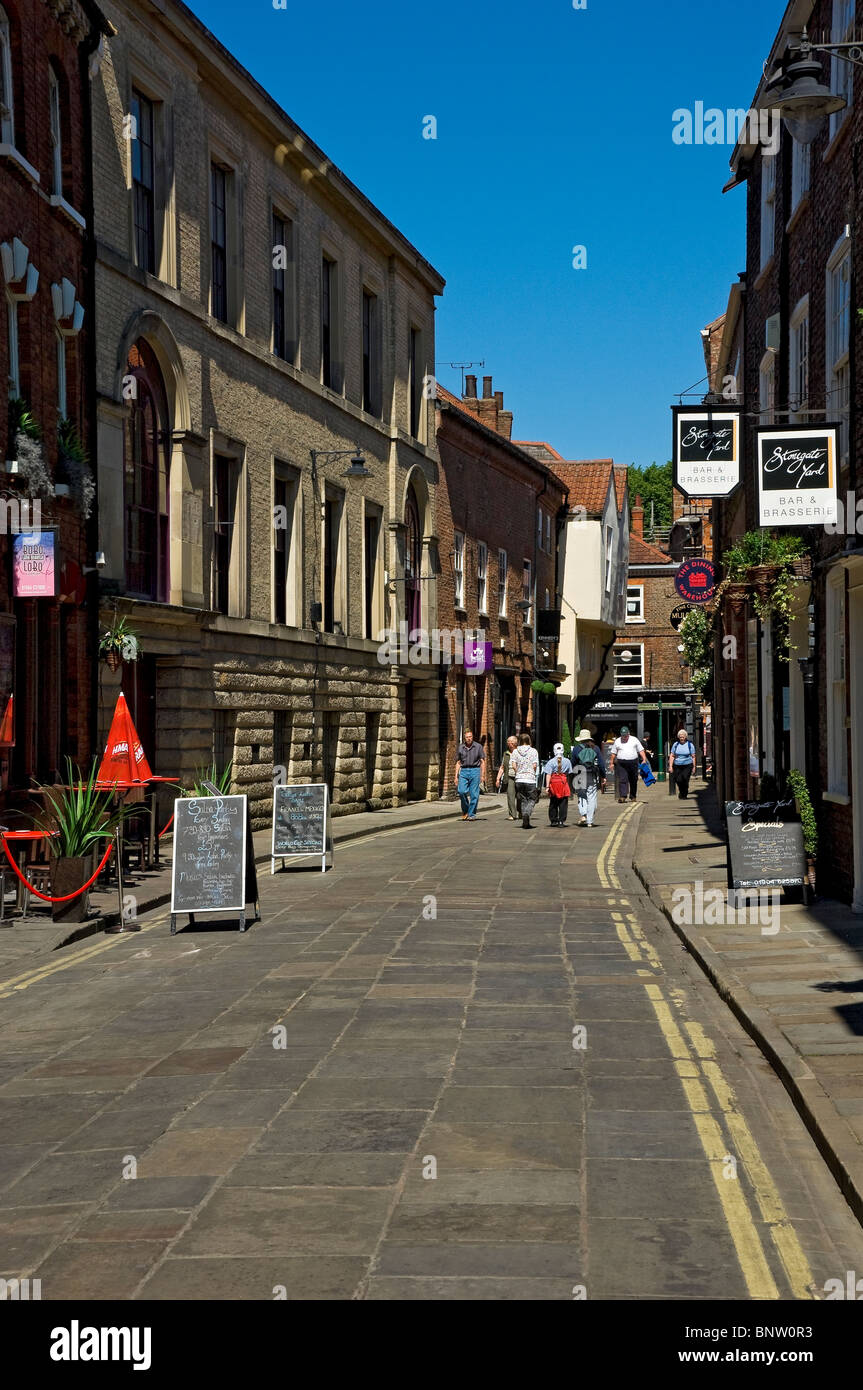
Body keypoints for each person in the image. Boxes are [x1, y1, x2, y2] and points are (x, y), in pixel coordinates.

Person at [571, 729, 607, 826]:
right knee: (591, 797)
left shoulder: (576, 749)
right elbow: (601, 764)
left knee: (581, 794)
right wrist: (603, 776)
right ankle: (590, 821)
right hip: (592, 774)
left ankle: (584, 814)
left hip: (580, 774)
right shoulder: (595, 748)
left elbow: (572, 763)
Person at [609, 725, 648, 803]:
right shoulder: (617, 741)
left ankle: (633, 796)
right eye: (623, 735)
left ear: (628, 733)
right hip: (621, 763)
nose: (624, 737)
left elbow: (641, 750)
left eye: (625, 735)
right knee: (622, 779)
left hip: (633, 762)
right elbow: (613, 753)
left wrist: (644, 759)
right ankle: (623, 796)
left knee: (633, 779)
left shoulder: (634, 740)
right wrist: (611, 763)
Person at [509, 732, 540, 828]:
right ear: (529, 740)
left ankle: (525, 822)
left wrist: (518, 772)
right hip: (530, 779)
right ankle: (527, 813)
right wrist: (531, 772)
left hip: (519, 779)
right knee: (532, 799)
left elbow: (513, 765)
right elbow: (534, 765)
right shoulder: (534, 751)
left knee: (523, 799)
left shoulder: (515, 751)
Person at [455, 729, 484, 821]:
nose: (469, 738)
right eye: (467, 737)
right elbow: (458, 762)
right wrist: (456, 776)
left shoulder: (478, 747)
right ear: (464, 738)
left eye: (470, 736)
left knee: (474, 794)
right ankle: (466, 811)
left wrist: (482, 775)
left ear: (472, 737)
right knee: (461, 791)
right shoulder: (460, 747)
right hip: (463, 771)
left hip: (475, 770)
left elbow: (482, 761)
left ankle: (471, 814)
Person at [542, 742, 573, 827]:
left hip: (554, 784)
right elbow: (569, 773)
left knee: (553, 802)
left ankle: (553, 820)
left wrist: (547, 786)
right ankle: (561, 821)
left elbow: (548, 774)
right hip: (563, 783)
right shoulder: (567, 761)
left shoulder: (551, 762)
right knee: (563, 803)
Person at [669, 727, 696, 800]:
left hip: (688, 765)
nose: (681, 738)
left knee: (685, 778)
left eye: (683, 737)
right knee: (678, 780)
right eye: (680, 737)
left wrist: (694, 767)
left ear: (685, 737)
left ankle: (684, 793)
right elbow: (672, 755)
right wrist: (670, 766)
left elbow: (693, 756)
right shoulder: (675, 744)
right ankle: (681, 791)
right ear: (678, 737)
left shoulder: (690, 745)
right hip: (677, 765)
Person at [496, 735, 519, 820]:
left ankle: (521, 811)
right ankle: (512, 814)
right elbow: (502, 767)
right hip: (509, 776)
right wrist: (498, 779)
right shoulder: (506, 753)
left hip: (519, 776)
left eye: (510, 742)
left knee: (520, 796)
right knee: (510, 795)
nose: (509, 743)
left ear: (515, 743)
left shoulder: (520, 752)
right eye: (508, 742)